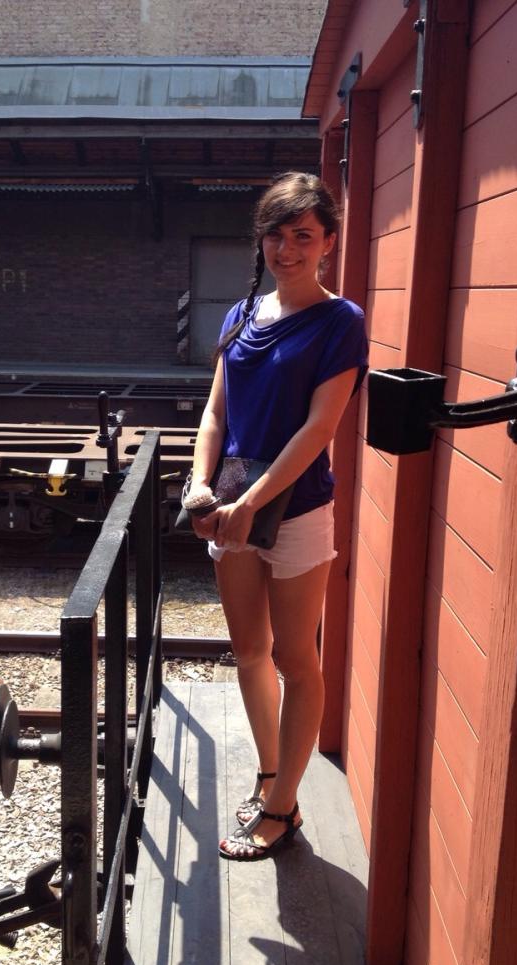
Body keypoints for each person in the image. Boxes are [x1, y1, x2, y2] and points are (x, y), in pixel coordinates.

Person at [187, 172, 368, 861]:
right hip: (230, 505)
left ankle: (284, 807)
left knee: (295, 657)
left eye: (303, 235)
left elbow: (320, 428)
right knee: (249, 651)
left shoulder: (340, 321)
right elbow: (216, 411)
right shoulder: (240, 314)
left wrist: (250, 503)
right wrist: (199, 487)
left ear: (327, 242)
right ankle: (270, 775)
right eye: (275, 234)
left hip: (294, 510)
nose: (287, 249)